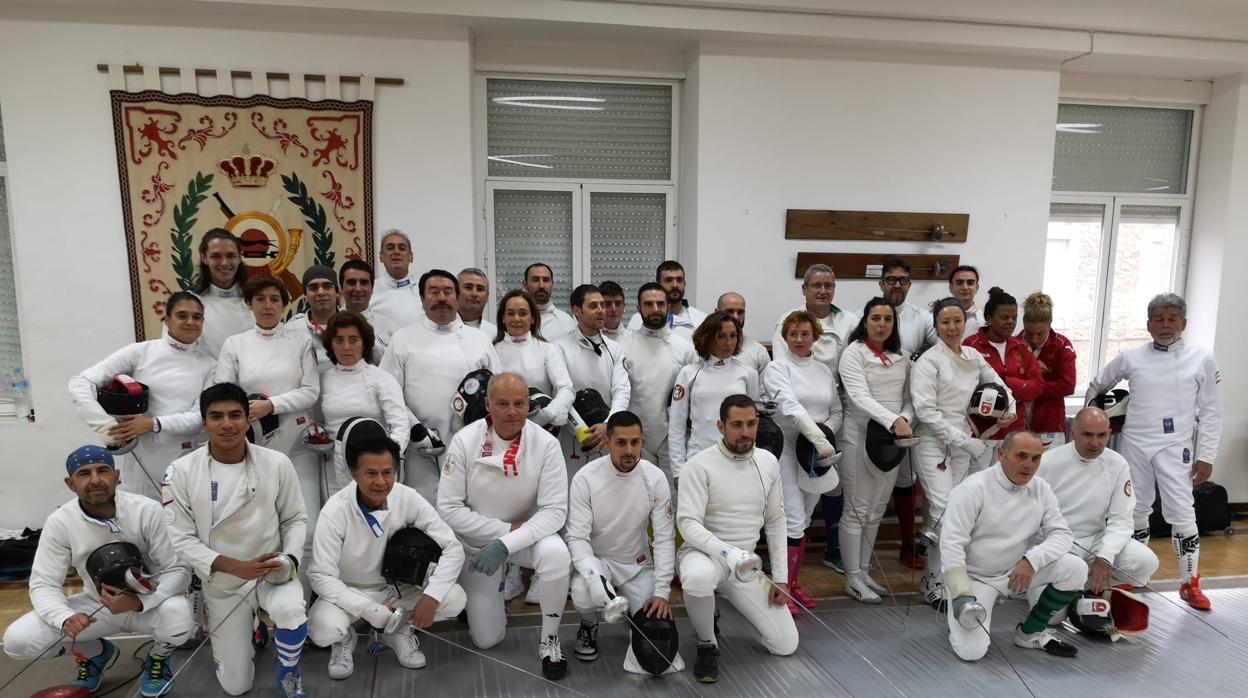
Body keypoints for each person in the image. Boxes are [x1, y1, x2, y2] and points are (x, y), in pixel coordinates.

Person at [3, 446, 193, 697]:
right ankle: (97, 653)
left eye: (102, 471)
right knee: (18, 641)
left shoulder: (147, 510)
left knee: (179, 616)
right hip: (96, 607)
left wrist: (139, 602)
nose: (95, 480)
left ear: (117, 476)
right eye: (84, 474)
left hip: (148, 603)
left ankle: (158, 657)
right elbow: (44, 583)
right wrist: (64, 617)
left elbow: (179, 569)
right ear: (70, 483)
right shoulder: (60, 522)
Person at [164, 382, 310, 697]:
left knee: (291, 610)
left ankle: (289, 670)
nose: (227, 424)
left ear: (248, 420)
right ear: (204, 422)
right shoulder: (180, 472)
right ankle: (254, 629)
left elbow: (295, 518)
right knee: (235, 687)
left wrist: (290, 560)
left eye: (235, 415)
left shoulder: (277, 463)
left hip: (272, 572)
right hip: (223, 581)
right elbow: (182, 539)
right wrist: (235, 567)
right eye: (216, 416)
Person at [1086, 293, 1222, 610]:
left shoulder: (1201, 357)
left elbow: (1213, 411)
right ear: (1148, 324)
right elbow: (1097, 385)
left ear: (1183, 323)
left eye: (1172, 319)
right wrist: (1097, 421)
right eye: (1158, 319)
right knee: (1135, 509)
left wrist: (1207, 455)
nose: (1165, 325)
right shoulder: (1132, 356)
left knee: (1182, 512)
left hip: (1177, 445)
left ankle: (1190, 583)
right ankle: (1134, 577)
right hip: (1134, 441)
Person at [436, 373, 572, 680]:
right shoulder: (464, 441)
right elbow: (448, 508)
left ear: (529, 405)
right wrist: (504, 533)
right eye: (503, 403)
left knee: (556, 554)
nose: (512, 411)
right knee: (486, 640)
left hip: (520, 539)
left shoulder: (546, 444)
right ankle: (492, 593)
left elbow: (554, 512)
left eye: (519, 403)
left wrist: (508, 544)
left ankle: (550, 639)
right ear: (487, 405)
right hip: (476, 544)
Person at [308, 426, 467, 679]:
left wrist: (432, 596)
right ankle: (344, 639)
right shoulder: (335, 510)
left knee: (455, 598)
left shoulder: (409, 498)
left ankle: (399, 630)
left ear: (396, 471)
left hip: (397, 589)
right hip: (349, 590)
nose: (380, 482)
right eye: (371, 473)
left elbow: (453, 548)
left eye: (387, 472)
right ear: (354, 474)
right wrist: (367, 609)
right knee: (322, 629)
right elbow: (319, 576)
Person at [678, 395, 798, 683]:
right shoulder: (698, 465)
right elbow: (687, 524)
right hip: (703, 555)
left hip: (745, 565)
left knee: (785, 645)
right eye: (737, 425)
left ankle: (712, 613)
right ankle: (707, 643)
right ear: (721, 426)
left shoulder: (768, 462)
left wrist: (781, 578)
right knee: (697, 578)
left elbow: (776, 520)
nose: (745, 432)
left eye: (751, 424)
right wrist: (725, 552)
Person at [941, 431, 1086, 662]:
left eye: (1036, 458)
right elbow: (950, 545)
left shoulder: (1041, 488)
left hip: (1017, 573)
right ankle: (958, 614)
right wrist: (961, 594)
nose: (1029, 465)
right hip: (976, 579)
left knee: (1076, 568)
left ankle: (1030, 633)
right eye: (1021, 456)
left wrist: (1032, 560)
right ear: (1001, 454)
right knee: (971, 653)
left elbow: (1062, 534)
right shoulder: (972, 489)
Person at [911, 298, 1015, 608]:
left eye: (957, 321)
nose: (952, 327)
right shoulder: (928, 362)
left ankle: (945, 579)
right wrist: (965, 441)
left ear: (964, 323)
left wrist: (1009, 407)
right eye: (945, 322)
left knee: (951, 514)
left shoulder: (972, 356)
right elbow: (926, 412)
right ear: (936, 326)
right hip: (934, 445)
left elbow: (998, 385)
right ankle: (939, 581)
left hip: (965, 445)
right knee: (946, 512)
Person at [68, 291, 217, 500]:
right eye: (182, 315)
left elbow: (200, 418)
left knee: (184, 524)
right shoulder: (139, 352)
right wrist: (104, 424)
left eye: (197, 317)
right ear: (167, 319)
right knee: (141, 522)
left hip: (185, 458)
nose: (190, 322)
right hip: (140, 459)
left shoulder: (209, 365)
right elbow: (81, 382)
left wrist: (152, 424)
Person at [216, 276, 321, 561]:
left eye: (275, 299)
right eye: (260, 299)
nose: (268, 305)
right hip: (254, 447)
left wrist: (271, 405)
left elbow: (311, 392)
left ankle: (302, 598)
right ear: (250, 304)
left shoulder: (300, 341)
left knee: (307, 525)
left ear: (284, 305)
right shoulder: (235, 344)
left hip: (298, 444)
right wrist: (250, 410)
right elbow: (223, 392)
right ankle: (263, 597)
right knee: (260, 525)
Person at [565, 411, 676, 669]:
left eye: (635, 442)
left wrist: (662, 591)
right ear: (607, 443)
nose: (629, 450)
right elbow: (577, 537)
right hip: (599, 561)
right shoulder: (586, 477)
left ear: (642, 442)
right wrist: (594, 578)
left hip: (637, 566)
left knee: (655, 634)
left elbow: (663, 538)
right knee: (583, 592)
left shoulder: (655, 478)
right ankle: (589, 623)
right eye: (621, 442)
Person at [380, 269, 501, 504]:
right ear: (423, 299)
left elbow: (498, 391)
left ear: (457, 297)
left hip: (473, 445)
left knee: (472, 509)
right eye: (434, 292)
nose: (442, 298)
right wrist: (416, 430)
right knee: (424, 513)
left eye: (448, 292)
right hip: (421, 449)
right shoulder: (403, 339)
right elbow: (388, 394)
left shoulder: (480, 340)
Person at [764, 310, 842, 613]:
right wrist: (817, 438)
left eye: (805, 334)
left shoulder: (823, 370)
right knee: (793, 518)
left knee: (807, 517)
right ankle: (781, 588)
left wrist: (825, 434)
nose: (799, 339)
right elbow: (790, 406)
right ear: (785, 337)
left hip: (816, 454)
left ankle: (793, 584)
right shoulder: (777, 368)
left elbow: (837, 411)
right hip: (788, 450)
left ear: (815, 337)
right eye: (793, 334)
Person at [837, 298, 915, 604]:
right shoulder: (853, 353)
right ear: (865, 321)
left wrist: (905, 419)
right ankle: (851, 577)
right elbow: (857, 396)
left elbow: (910, 397)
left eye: (887, 319)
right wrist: (893, 420)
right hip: (859, 436)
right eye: (875, 318)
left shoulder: (903, 357)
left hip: (892, 439)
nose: (881, 324)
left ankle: (864, 571)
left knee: (877, 510)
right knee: (856, 510)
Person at [1041, 408, 1159, 596]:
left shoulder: (1117, 464)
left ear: (1109, 434)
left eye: (1101, 435)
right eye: (1088, 435)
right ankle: (1073, 590)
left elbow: (1121, 519)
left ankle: (1090, 590)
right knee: (1052, 614)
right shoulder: (1047, 462)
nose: (1095, 443)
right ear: (1073, 433)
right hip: (1058, 541)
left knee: (1145, 562)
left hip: (1095, 538)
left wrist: (1105, 555)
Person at [878, 259, 935, 569]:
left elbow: (941, 347)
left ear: (909, 284)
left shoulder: (921, 318)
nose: (896, 285)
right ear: (881, 284)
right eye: (890, 279)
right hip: (876, 406)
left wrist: (918, 357)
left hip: (910, 405)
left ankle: (907, 541)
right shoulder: (869, 314)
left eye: (902, 280)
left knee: (906, 476)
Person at [318, 311, 411, 492]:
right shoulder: (323, 380)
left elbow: (400, 425)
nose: (346, 347)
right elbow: (318, 423)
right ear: (331, 344)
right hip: (334, 468)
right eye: (339, 340)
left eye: (353, 340)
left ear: (364, 343)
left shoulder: (381, 379)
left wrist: (385, 461)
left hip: (375, 470)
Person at [669, 311, 759, 484]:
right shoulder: (689, 373)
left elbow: (754, 422)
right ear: (708, 338)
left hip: (739, 459)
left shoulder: (748, 374)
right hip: (699, 460)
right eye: (721, 336)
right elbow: (676, 425)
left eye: (733, 336)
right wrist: (678, 470)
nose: (729, 342)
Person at [963, 287, 1044, 469]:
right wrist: (1018, 385)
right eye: (1004, 318)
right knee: (976, 484)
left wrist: (1005, 381)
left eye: (1014, 317)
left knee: (1006, 485)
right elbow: (967, 388)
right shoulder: (971, 345)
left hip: (1013, 432)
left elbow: (1037, 387)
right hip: (980, 431)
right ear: (989, 318)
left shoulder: (1021, 347)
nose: (1010, 322)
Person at [620, 282, 695, 479]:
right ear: (638, 309)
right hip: (634, 437)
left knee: (671, 499)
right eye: (648, 304)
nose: (655, 309)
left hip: (671, 438)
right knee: (637, 498)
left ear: (668, 307)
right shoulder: (623, 345)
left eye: (660, 304)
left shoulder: (685, 348)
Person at [557, 284, 630, 474]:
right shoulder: (559, 348)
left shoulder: (615, 349)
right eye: (593, 306)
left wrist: (608, 424)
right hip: (572, 438)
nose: (601, 311)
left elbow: (622, 390)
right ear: (577, 311)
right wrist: (581, 431)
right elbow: (561, 394)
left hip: (607, 434)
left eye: (602, 305)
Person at [493, 289, 575, 429]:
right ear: (503, 318)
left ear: (532, 318)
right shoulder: (492, 349)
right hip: (503, 428)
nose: (516, 318)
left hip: (541, 428)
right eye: (510, 313)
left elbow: (566, 388)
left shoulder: (547, 349)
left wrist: (546, 414)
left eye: (523, 313)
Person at [771, 263, 858, 372]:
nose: (823, 291)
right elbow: (780, 366)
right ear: (804, 289)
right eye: (817, 285)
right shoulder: (788, 321)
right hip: (798, 383)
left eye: (828, 286)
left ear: (834, 289)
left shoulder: (850, 321)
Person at [1020, 292, 1077, 447]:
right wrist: (1030, 369)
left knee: (1047, 471)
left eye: (1040, 333)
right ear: (1023, 324)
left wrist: (1031, 385)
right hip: (1017, 423)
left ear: (1050, 325)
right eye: (1030, 333)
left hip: (1048, 425)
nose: (1035, 339)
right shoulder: (1014, 343)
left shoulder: (1062, 345)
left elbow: (1068, 385)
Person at [191, 228, 253, 359]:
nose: (224, 263)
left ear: (239, 258)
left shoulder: (255, 300)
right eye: (216, 256)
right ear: (204, 258)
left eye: (231, 256)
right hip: (207, 378)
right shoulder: (189, 304)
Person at [625, 260, 706, 339]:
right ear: (658, 284)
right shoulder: (639, 319)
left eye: (679, 280)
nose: (675, 285)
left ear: (684, 284)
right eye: (669, 280)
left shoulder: (701, 319)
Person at [286, 265, 340, 373]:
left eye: (327, 286)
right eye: (313, 288)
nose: (321, 292)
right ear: (305, 295)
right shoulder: (290, 330)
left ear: (337, 292)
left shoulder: (355, 326)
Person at [369, 229, 425, 332]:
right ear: (381, 256)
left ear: (411, 256)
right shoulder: (370, 290)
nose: (396, 252)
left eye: (402, 248)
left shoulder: (424, 289)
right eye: (390, 248)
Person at [339, 259, 392, 364]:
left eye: (364, 283)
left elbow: (391, 363)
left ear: (372, 289)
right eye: (351, 282)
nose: (358, 289)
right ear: (341, 288)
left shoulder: (387, 324)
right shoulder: (330, 323)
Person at [717, 292, 771, 381]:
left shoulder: (758, 352)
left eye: (740, 312)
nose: (736, 317)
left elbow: (764, 392)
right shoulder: (701, 350)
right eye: (729, 311)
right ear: (716, 312)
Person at [523, 262, 577, 342]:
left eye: (546, 280)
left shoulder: (566, 322)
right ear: (525, 285)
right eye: (535, 280)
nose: (541, 285)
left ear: (552, 285)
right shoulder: (515, 320)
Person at [458, 267, 498, 338]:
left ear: (487, 297)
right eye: (468, 287)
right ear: (456, 293)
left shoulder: (496, 335)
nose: (474, 294)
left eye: (480, 289)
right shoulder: (442, 329)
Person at [946, 265, 982, 340]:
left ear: (976, 288)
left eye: (970, 283)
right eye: (959, 283)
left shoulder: (984, 320)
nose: (965, 287)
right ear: (951, 288)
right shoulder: (936, 317)